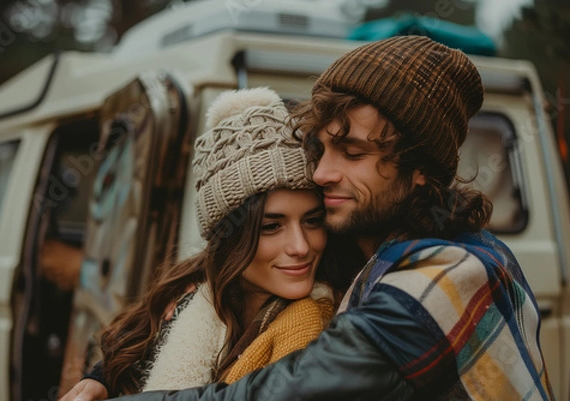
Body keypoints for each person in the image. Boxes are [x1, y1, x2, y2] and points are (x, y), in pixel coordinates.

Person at [105, 36, 554, 400]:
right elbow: (212, 280)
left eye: (353, 153)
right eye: (322, 148)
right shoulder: (364, 243)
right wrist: (104, 376)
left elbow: (294, 389)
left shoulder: (453, 272)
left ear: (420, 171)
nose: (321, 172)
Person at [59, 87, 362, 401]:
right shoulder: (188, 291)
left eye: (312, 221)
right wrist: (101, 381)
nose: (300, 247)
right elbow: (130, 352)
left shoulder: (308, 321)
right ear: (229, 236)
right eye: (271, 227)